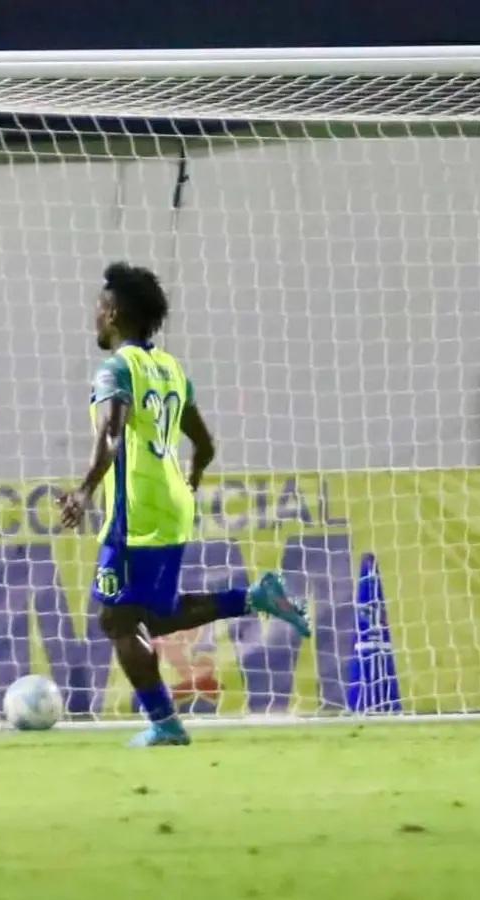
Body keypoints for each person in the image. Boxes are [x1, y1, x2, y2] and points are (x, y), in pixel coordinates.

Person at [59, 262, 310, 747]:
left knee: (116, 619)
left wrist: (85, 490)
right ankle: (255, 597)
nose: (94, 316)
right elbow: (206, 444)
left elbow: (111, 434)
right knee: (155, 615)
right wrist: (189, 479)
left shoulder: (116, 369)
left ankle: (166, 723)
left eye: (98, 308)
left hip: (136, 511)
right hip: (172, 504)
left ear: (111, 313)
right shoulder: (171, 368)